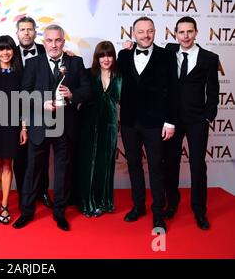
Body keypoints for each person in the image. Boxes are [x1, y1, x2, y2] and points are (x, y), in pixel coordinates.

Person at [13, 24, 92, 231]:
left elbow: (88, 90)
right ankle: (27, 212)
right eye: (50, 40)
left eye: (58, 40)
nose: (54, 44)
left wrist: (72, 94)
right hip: (40, 125)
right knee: (33, 171)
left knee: (62, 172)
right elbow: (24, 93)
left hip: (66, 126)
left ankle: (60, 213)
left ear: (63, 42)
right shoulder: (33, 63)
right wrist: (41, 103)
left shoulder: (76, 62)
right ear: (44, 42)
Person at [118, 16, 177, 232]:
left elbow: (173, 90)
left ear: (155, 31)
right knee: (133, 166)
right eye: (141, 31)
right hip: (129, 122)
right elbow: (105, 73)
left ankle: (158, 213)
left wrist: (170, 121)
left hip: (156, 122)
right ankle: (138, 206)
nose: (146, 35)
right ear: (133, 33)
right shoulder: (123, 55)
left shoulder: (167, 56)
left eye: (149, 31)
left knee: (156, 168)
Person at [163, 16, 219, 230]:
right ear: (175, 34)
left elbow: (213, 92)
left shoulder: (209, 58)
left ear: (196, 32)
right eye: (181, 32)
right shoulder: (168, 52)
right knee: (170, 163)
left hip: (197, 120)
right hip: (172, 119)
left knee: (198, 166)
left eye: (189, 31)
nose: (185, 36)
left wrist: (208, 116)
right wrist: (130, 47)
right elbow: (146, 51)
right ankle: (172, 203)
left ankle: (199, 210)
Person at [73, 41, 121, 218]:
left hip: (109, 126)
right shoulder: (87, 74)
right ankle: (87, 203)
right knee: (87, 164)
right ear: (97, 57)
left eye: (109, 55)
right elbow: (76, 90)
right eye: (102, 55)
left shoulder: (120, 76)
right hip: (88, 124)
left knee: (105, 164)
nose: (106, 59)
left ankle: (103, 201)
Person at [0, 35, 28, 224]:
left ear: (13, 51)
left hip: (12, 126)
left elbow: (24, 102)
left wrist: (23, 127)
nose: (5, 52)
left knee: (8, 166)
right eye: (1, 49)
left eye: (9, 48)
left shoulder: (20, 73)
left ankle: (5, 204)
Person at [13, 16, 53, 209]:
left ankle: (42, 192)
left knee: (42, 157)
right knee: (20, 157)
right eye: (23, 29)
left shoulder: (47, 50)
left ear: (35, 32)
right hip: (14, 111)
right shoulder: (8, 52)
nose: (26, 33)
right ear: (17, 33)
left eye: (30, 29)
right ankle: (24, 196)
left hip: (40, 112)